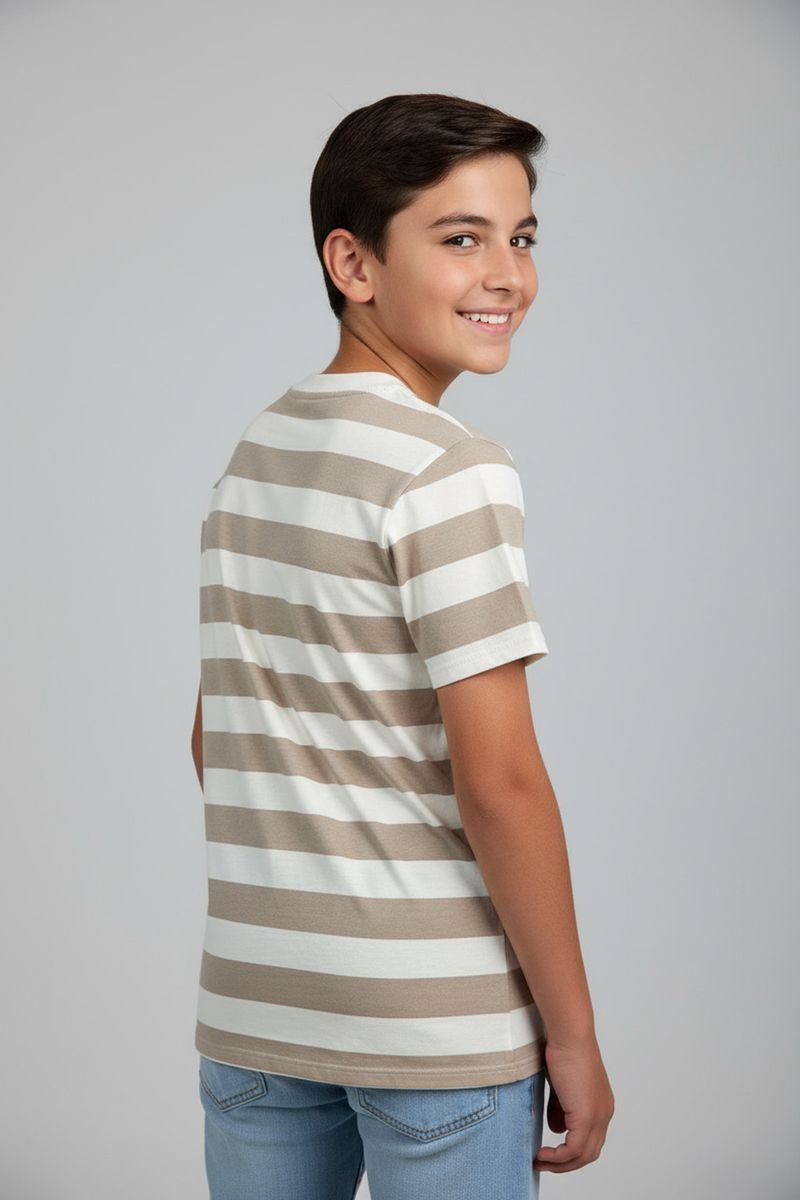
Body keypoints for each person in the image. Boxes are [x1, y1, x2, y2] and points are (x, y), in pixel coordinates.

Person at [190, 91, 614, 1200]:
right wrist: (571, 1034)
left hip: (256, 1008)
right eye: (461, 238)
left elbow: (213, 739)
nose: (507, 275)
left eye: (522, 238)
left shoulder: (257, 453)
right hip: (436, 1031)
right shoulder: (448, 467)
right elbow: (501, 783)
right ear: (353, 263)